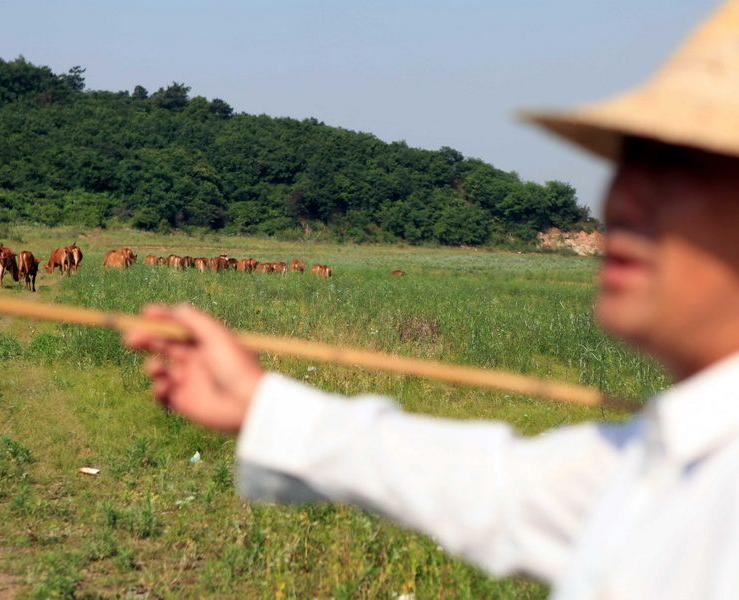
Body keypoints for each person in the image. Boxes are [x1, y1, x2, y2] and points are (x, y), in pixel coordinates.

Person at [125, 3, 739, 598]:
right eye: (631, 161)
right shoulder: (661, 457)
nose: (621, 200)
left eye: (681, 164)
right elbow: (493, 486)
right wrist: (258, 400)